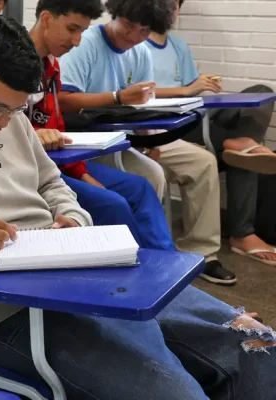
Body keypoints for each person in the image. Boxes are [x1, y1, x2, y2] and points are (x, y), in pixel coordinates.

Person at [0, 16, 276, 400]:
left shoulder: (7, 116)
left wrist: (75, 217)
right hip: (5, 314)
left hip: (81, 275)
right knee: (176, 391)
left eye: (15, 110)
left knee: (256, 345)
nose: (3, 123)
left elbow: (51, 181)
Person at [57, 0, 235, 285]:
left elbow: (143, 106)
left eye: (143, 31)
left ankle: (189, 258)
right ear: (115, 14)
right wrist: (118, 97)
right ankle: (145, 259)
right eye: (128, 26)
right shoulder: (87, 43)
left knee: (190, 164)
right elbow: (63, 101)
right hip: (88, 142)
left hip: (126, 139)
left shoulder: (140, 52)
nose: (132, 36)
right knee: (145, 178)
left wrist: (152, 142)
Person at [26, 0, 174, 251]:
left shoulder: (51, 64)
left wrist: (81, 172)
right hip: (32, 171)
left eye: (81, 32)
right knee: (113, 204)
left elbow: (57, 132)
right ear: (48, 19)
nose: (76, 41)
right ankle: (139, 273)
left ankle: (166, 265)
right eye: (72, 29)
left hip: (58, 162)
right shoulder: (13, 63)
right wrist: (32, 135)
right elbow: (0, 130)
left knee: (141, 188)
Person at [147, 0, 276, 266]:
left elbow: (192, 88)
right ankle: (243, 233)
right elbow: (136, 95)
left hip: (195, 114)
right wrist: (184, 91)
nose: (174, 11)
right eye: (168, 4)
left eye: (177, 5)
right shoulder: (135, 45)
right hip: (166, 122)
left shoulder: (178, 46)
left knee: (260, 92)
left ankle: (243, 143)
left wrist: (203, 83)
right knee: (238, 151)